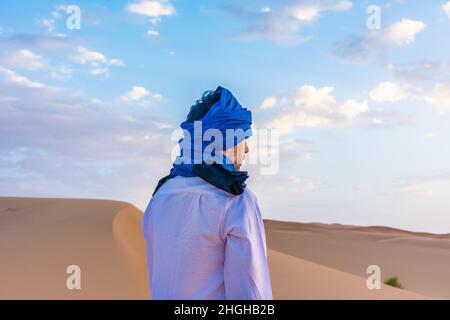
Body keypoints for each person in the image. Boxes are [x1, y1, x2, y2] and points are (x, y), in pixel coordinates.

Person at [142, 85, 273, 299]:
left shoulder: (159, 198)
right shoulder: (235, 201)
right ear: (223, 141)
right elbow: (251, 293)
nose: (247, 149)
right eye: (242, 138)